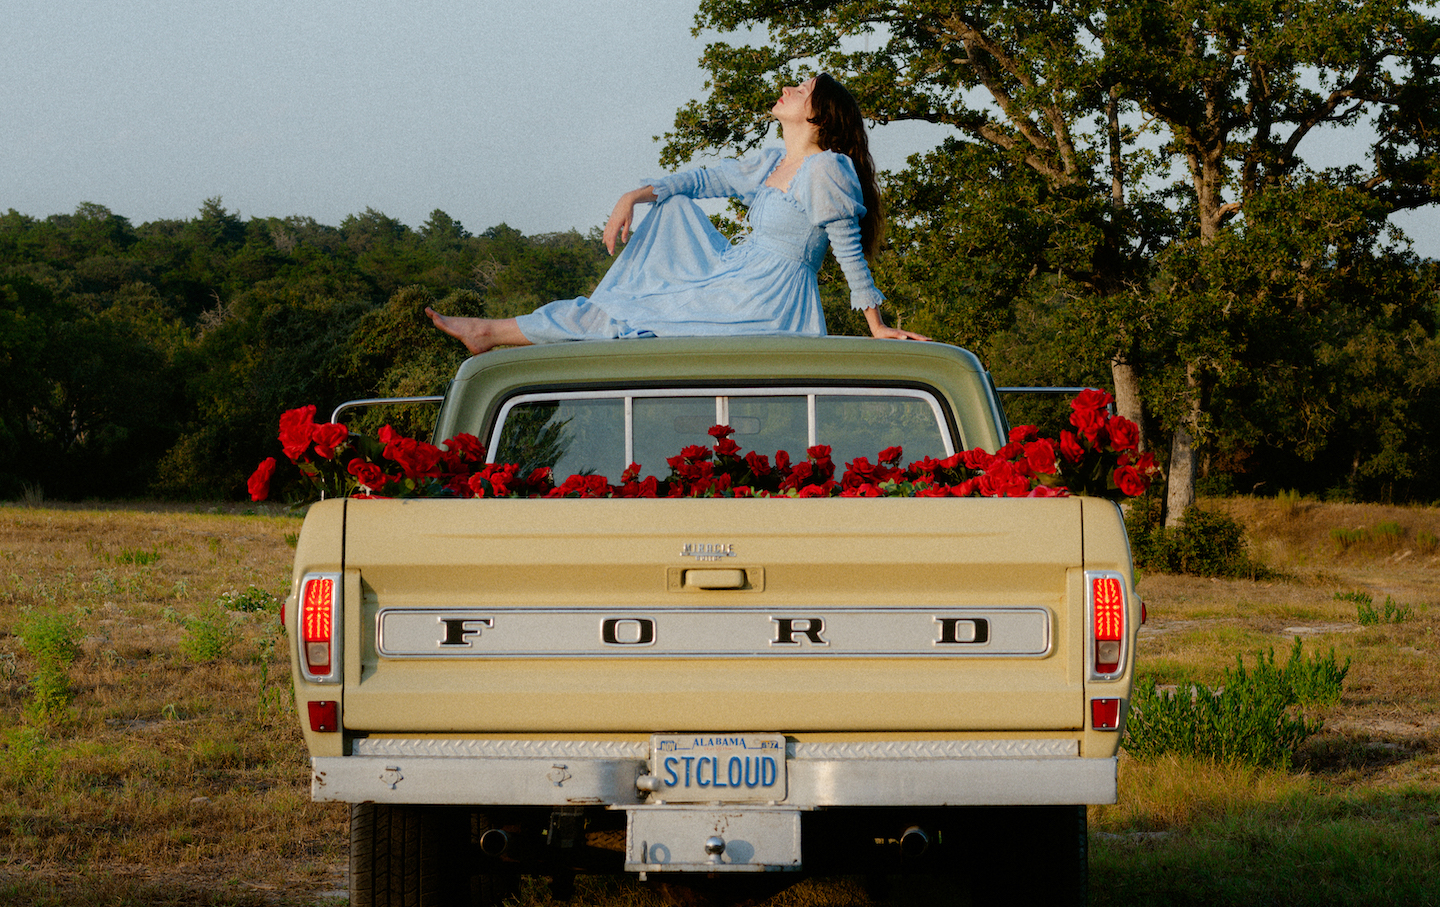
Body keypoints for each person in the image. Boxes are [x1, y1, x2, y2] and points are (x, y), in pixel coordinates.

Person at [426, 73, 929, 355]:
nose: (788, 89)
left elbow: (848, 251)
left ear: (817, 114)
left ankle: (488, 333)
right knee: (673, 208)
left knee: (626, 318)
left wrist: (876, 325)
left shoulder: (827, 169)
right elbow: (706, 179)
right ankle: (492, 333)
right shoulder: (773, 162)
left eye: (802, 90)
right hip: (734, 275)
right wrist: (634, 195)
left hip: (766, 299)